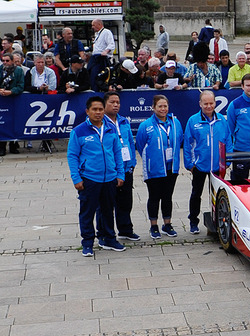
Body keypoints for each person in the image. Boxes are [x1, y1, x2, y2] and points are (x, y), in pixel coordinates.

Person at [67, 96, 125, 257]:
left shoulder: (110, 129)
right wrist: (76, 178)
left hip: (109, 178)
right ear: (87, 111)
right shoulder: (79, 131)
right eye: (95, 109)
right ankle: (87, 243)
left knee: (107, 211)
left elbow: (117, 153)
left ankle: (108, 239)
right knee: (87, 212)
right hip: (89, 179)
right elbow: (72, 155)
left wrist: (120, 173)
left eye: (100, 109)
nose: (98, 112)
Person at [135, 95, 184, 239]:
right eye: (160, 106)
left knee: (167, 197)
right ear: (153, 108)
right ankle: (154, 226)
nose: (163, 109)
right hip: (154, 168)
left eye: (165, 106)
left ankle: (167, 224)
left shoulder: (175, 123)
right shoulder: (146, 125)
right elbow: (140, 144)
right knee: (154, 197)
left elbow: (179, 139)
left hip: (171, 167)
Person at [184, 90, 233, 234]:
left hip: (218, 166)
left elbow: (228, 140)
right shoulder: (193, 121)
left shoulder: (222, 120)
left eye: (211, 103)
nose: (208, 106)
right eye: (205, 103)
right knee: (196, 194)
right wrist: (190, 164)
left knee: (219, 196)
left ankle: (218, 221)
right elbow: (188, 143)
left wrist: (227, 161)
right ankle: (193, 221)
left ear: (215, 103)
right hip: (200, 166)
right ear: (200, 104)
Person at [104, 92, 139, 241]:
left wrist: (132, 163)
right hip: (110, 170)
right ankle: (107, 233)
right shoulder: (101, 123)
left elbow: (131, 142)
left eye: (118, 102)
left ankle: (125, 229)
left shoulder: (124, 121)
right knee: (107, 204)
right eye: (112, 102)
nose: (116, 105)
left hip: (126, 168)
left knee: (125, 201)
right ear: (105, 104)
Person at [0, 53, 24, 156]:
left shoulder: (18, 71)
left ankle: (13, 145)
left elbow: (21, 86)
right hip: (2, 100)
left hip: (14, 99)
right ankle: (2, 147)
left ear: (12, 61)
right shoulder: (0, 69)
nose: (5, 63)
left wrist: (11, 91)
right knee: (2, 123)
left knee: (14, 122)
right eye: (3, 61)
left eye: (7, 61)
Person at [88, 19, 115, 91]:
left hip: (101, 58)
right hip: (94, 58)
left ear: (99, 24)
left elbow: (111, 44)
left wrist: (106, 51)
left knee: (98, 77)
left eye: (93, 25)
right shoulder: (97, 34)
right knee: (91, 75)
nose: (92, 27)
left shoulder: (106, 32)